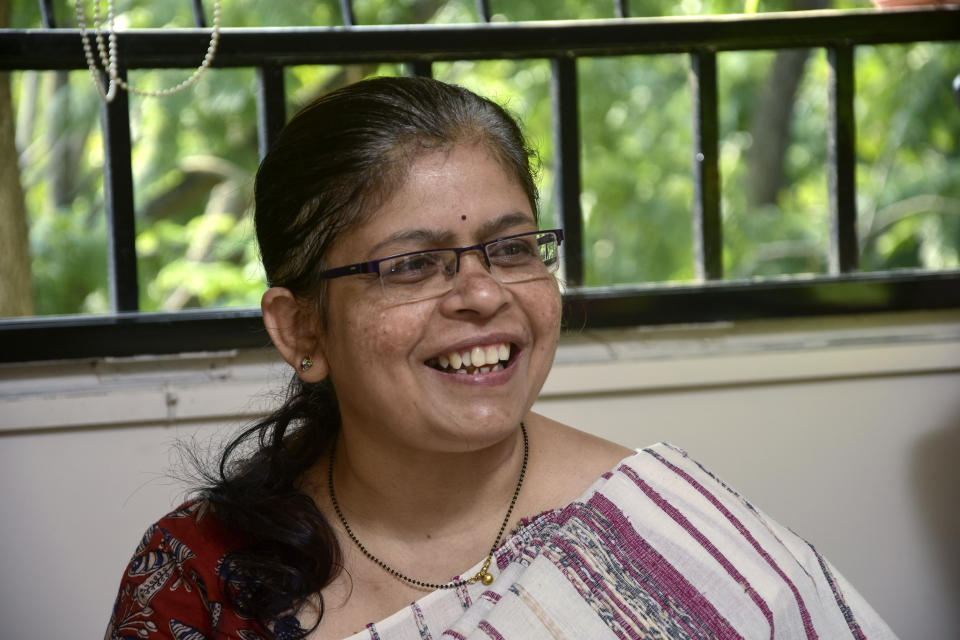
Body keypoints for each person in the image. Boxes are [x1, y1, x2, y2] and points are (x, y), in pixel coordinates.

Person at [104, 76, 898, 640]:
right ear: (302, 330)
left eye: (512, 248)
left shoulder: (674, 539)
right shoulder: (203, 576)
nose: (483, 296)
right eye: (411, 264)